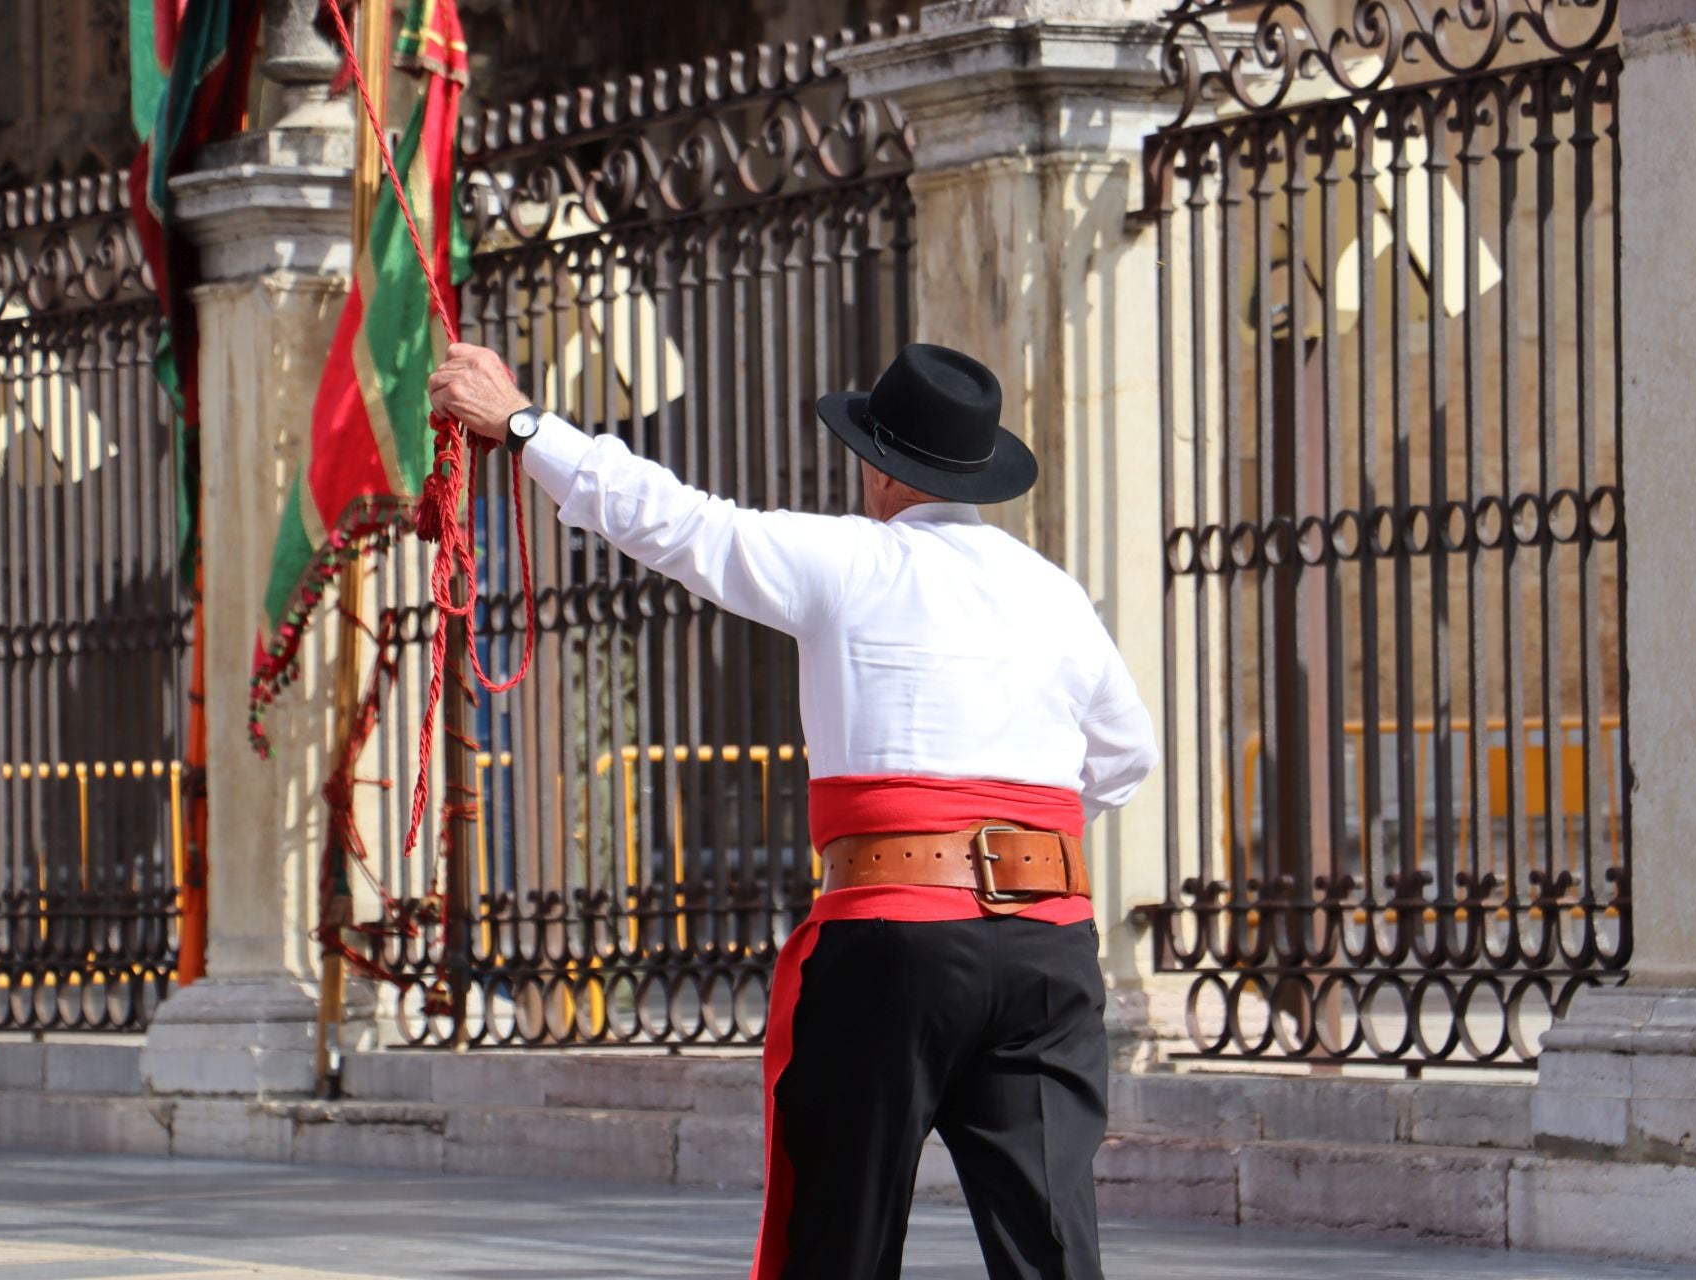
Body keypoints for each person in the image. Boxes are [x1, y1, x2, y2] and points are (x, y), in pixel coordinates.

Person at [428, 340, 1159, 1280]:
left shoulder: (851, 559)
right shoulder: (1054, 593)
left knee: (839, 1238)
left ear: (878, 466)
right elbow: (1128, 752)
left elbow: (681, 525)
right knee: (1053, 1246)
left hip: (895, 940)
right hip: (1048, 943)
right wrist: (1010, 847)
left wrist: (526, 425)